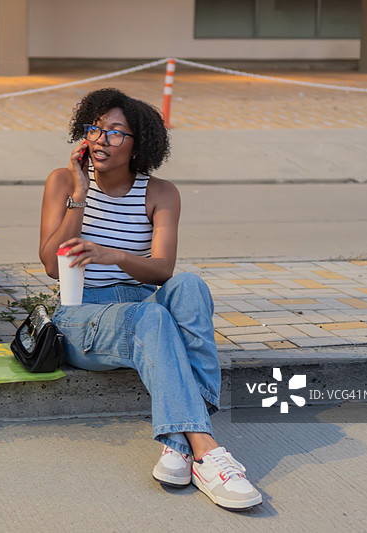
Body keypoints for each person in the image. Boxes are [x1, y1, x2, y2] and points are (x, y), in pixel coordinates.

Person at [38, 88, 262, 511]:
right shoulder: (64, 182)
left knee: (191, 286)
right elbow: (53, 263)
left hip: (140, 307)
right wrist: (80, 196)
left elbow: (162, 270)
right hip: (82, 316)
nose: (101, 139)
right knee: (152, 319)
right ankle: (208, 452)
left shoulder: (160, 193)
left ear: (140, 144)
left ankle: (178, 444)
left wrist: (112, 255)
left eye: (116, 133)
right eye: (95, 129)